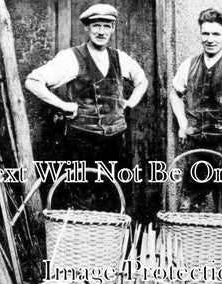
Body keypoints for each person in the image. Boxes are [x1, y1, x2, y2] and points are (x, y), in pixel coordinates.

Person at [25, 3, 148, 211]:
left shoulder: (121, 58)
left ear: (113, 28)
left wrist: (130, 103)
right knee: (83, 198)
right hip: (83, 142)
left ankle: (111, 243)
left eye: (106, 26)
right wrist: (63, 105)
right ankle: (85, 242)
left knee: (113, 197)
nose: (101, 31)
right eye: (96, 26)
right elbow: (32, 81)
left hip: (115, 142)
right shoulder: (71, 57)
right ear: (87, 28)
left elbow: (141, 80)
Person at [169, 8, 222, 213]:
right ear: (200, 33)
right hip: (197, 150)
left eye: (216, 34)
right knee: (187, 209)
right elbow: (174, 95)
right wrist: (183, 123)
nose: (210, 39)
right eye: (205, 33)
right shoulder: (189, 65)